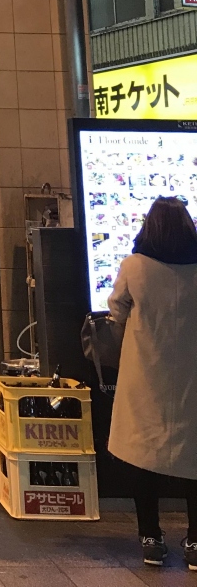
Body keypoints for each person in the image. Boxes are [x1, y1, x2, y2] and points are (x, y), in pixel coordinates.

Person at [108, 195, 197, 568]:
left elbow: (116, 311)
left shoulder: (135, 266)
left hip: (145, 373)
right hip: (191, 377)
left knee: (142, 455)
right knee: (194, 455)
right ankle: (196, 541)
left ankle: (150, 536)